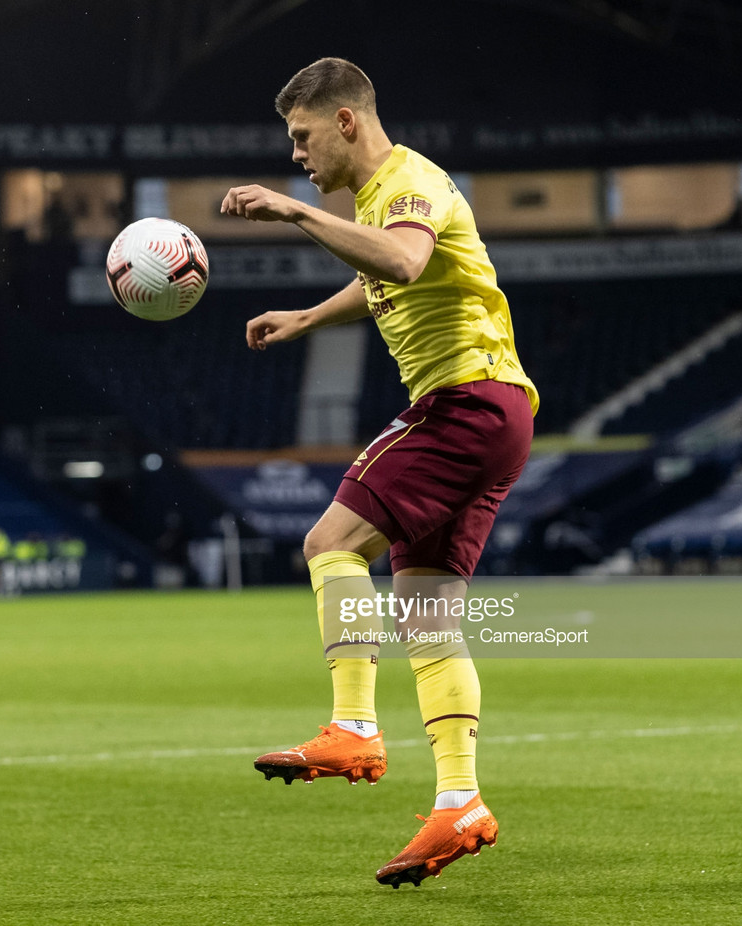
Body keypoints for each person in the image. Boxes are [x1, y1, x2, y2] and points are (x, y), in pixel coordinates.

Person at [220, 57, 538, 888]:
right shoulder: (377, 202)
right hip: (494, 413)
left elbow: (399, 261)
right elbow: (387, 276)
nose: (297, 155)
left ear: (346, 121)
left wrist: (290, 213)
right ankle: (460, 800)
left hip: (465, 403)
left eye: (302, 136)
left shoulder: (407, 183)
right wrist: (309, 316)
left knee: (330, 540)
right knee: (428, 620)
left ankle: (354, 724)